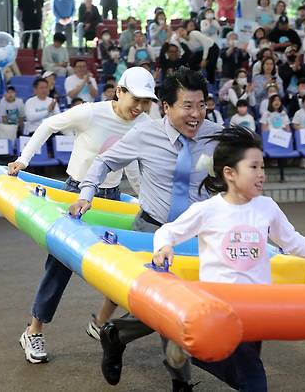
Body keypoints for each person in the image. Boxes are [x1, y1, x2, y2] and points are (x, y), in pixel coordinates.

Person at [151, 126, 305, 392]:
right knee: (253, 382)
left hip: (258, 308)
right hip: (220, 307)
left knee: (243, 376)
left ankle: (189, 351)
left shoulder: (267, 207)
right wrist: (163, 247)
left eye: (263, 167)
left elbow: (293, 241)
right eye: (254, 167)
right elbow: (167, 231)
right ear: (230, 173)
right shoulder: (208, 210)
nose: (262, 174)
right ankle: (192, 350)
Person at [68, 67, 221, 390]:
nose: (196, 114)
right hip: (151, 231)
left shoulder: (216, 135)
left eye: (202, 105)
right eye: (187, 106)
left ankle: (116, 333)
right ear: (166, 107)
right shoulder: (144, 134)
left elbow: (234, 177)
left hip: (195, 237)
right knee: (173, 306)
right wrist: (87, 194)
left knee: (181, 307)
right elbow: (104, 162)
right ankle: (181, 381)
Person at [8, 67, 157, 365]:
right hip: (76, 194)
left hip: (112, 198)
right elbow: (48, 124)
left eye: (146, 102)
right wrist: (24, 160)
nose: (139, 108)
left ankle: (100, 322)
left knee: (121, 264)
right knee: (60, 265)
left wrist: (142, 197)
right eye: (135, 99)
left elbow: (132, 162)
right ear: (120, 91)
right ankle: (34, 331)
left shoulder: (144, 121)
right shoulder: (90, 113)